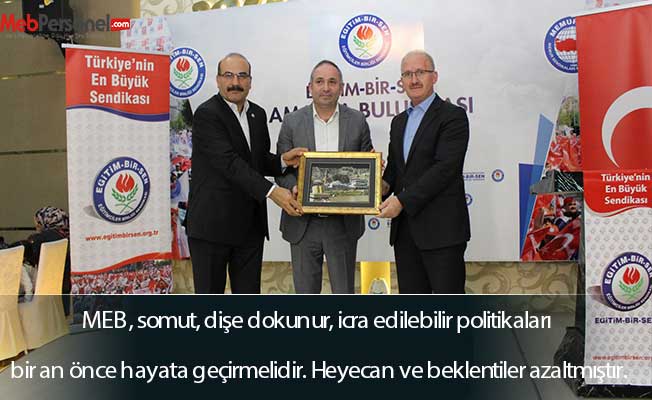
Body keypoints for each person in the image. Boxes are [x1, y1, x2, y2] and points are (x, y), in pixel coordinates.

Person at [185, 52, 307, 294]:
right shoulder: (207, 114)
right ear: (218, 80)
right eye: (228, 75)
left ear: (250, 81)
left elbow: (256, 160)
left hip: (250, 228)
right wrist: (273, 192)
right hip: (212, 227)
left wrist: (283, 160)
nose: (235, 82)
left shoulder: (257, 114)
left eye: (242, 76)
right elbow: (230, 164)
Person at [275, 60, 373, 294]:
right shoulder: (292, 121)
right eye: (319, 82)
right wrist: (295, 187)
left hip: (343, 224)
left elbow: (366, 167)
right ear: (310, 87)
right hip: (303, 222)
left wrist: (372, 171)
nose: (326, 88)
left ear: (341, 87)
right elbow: (281, 169)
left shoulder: (357, 121)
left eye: (332, 82)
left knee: (344, 293)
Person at [378, 50, 470, 294]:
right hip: (405, 233)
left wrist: (401, 201)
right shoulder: (398, 122)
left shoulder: (453, 116)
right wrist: (378, 187)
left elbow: (445, 169)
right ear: (401, 81)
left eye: (420, 72)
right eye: (407, 74)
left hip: (442, 232)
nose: (414, 79)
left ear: (434, 76)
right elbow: (395, 171)